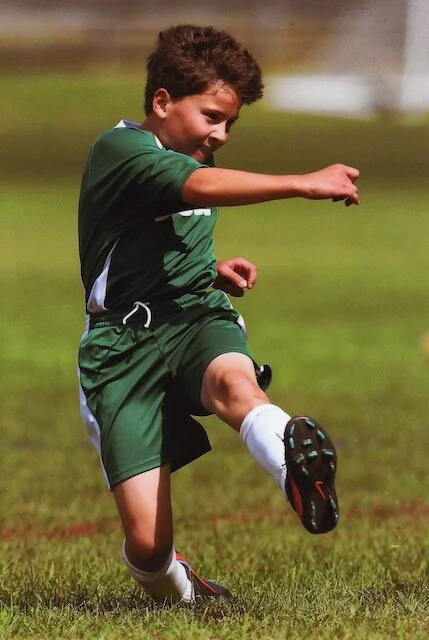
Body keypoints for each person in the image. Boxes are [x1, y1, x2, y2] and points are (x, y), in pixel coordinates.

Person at [78, 24, 360, 605]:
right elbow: (194, 187)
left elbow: (158, 233)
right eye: (211, 116)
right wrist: (303, 183)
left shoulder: (194, 154)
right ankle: (180, 589)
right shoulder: (121, 151)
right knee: (149, 547)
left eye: (231, 122)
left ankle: (295, 468)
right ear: (162, 101)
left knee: (235, 382)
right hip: (119, 347)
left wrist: (210, 272)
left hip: (195, 320)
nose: (221, 134)